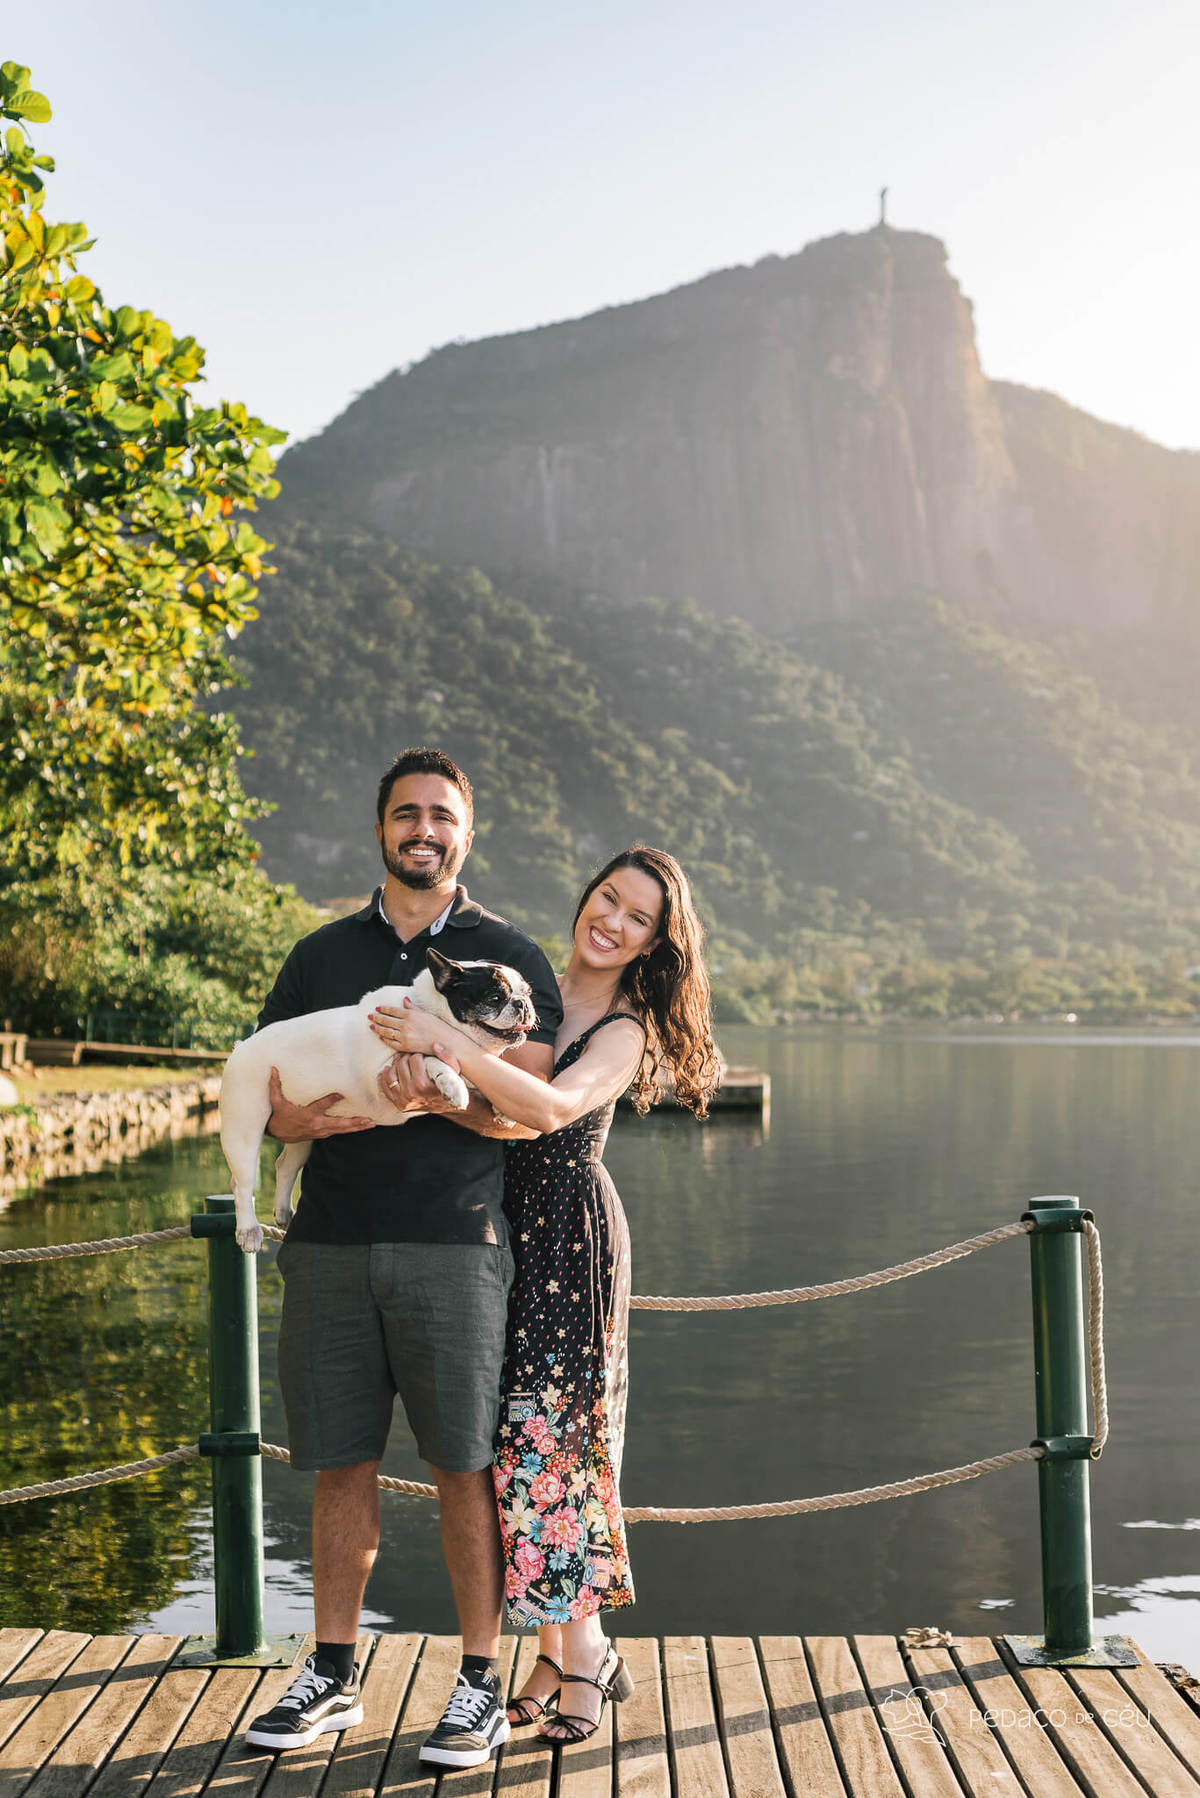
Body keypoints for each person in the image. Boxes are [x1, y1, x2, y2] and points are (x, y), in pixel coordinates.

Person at [242, 748, 563, 1772]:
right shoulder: (319, 954)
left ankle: (478, 1687)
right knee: (338, 1466)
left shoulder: (511, 959)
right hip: (327, 1243)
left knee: (465, 1470)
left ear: (468, 832)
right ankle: (332, 1674)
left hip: (454, 1247)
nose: (424, 830)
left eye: (442, 815)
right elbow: (268, 1091)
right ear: (380, 827)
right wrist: (301, 1118)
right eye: (406, 814)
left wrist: (454, 1096)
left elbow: (535, 1109)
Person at [370, 846, 720, 1743]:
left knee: (554, 1443)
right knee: (510, 1443)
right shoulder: (530, 983)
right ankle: (565, 1654)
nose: (612, 920)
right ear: (586, 896)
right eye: (608, 898)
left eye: (637, 917)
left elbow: (550, 1111)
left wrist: (442, 1042)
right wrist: (428, 1083)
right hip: (494, 1226)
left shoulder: (628, 1025)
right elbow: (489, 1111)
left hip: (570, 1237)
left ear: (654, 942)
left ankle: (582, 1661)